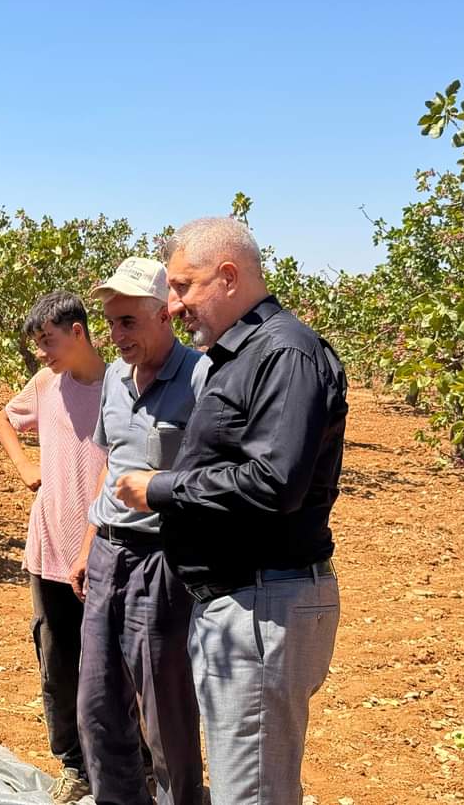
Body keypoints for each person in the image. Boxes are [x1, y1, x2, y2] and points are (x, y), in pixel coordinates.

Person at [115, 217, 348, 805]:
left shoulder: (285, 354)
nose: (172, 305)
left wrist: (163, 489)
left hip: (263, 603)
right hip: (241, 603)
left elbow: (275, 482)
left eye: (183, 286)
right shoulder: (239, 356)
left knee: (254, 794)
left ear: (227, 276)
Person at [69, 256, 205, 805]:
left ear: (165, 314)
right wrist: (87, 545)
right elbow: (110, 465)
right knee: (97, 707)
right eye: (111, 323)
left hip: (163, 561)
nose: (116, 335)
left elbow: (216, 476)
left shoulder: (201, 377)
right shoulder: (115, 382)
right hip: (108, 555)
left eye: (129, 321)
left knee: (165, 712)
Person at [0, 291, 106, 804]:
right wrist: (25, 467)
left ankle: (134, 767)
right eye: (37, 344)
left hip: (104, 549)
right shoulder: (45, 384)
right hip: (49, 548)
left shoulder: (121, 387)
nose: (42, 353)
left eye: (48, 341)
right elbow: (3, 419)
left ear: (77, 331)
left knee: (117, 664)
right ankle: (74, 766)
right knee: (59, 663)